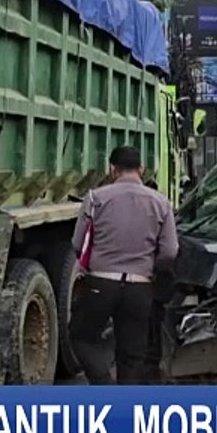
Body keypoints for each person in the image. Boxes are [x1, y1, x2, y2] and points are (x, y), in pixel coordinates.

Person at [70, 146, 178, 384]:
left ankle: (103, 384)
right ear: (142, 170)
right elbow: (170, 251)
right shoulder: (161, 203)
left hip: (101, 283)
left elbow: (79, 243)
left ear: (112, 170)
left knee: (80, 337)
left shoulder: (95, 198)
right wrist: (151, 268)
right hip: (139, 288)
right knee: (132, 355)